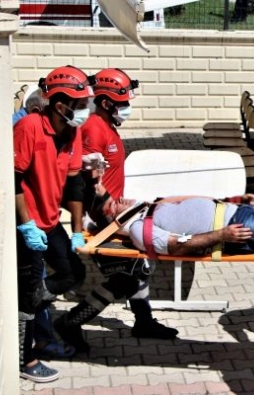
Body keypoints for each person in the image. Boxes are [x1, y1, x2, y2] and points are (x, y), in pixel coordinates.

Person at [53, 68, 179, 354]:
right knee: (125, 278)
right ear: (106, 103)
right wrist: (106, 212)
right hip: (100, 220)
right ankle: (70, 322)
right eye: (122, 103)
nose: (127, 107)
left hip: (112, 215)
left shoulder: (106, 125)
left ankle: (144, 321)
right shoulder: (93, 129)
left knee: (138, 269)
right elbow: (83, 181)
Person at [14, 65, 93, 382]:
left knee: (74, 272)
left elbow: (74, 186)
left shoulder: (72, 132)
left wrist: (76, 231)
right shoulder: (30, 127)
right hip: (28, 224)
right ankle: (26, 360)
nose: (86, 110)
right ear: (60, 106)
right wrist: (26, 225)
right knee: (27, 296)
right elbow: (14, 179)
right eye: (81, 104)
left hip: (50, 221)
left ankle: (36, 301)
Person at [95, 192, 254, 257]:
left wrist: (239, 199)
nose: (119, 199)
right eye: (114, 205)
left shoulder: (149, 206)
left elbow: (195, 201)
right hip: (237, 227)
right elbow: (176, 245)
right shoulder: (138, 229)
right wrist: (221, 235)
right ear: (113, 221)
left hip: (240, 210)